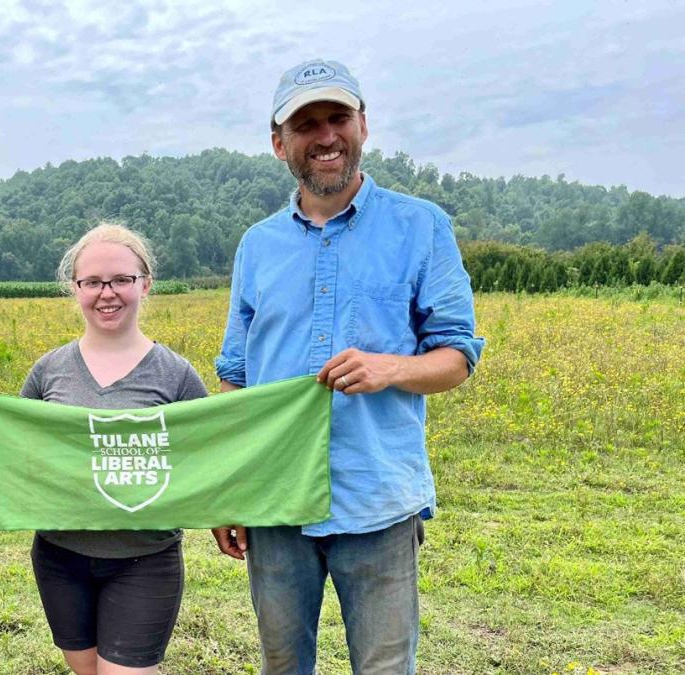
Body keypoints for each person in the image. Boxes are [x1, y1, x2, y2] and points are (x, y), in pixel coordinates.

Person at [211, 59, 485, 674]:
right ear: (280, 143)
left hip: (379, 497)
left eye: (338, 117)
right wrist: (229, 488)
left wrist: (390, 368)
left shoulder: (421, 226)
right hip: (275, 500)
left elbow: (457, 357)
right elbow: (236, 376)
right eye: (306, 124)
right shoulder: (257, 245)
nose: (325, 135)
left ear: (364, 125)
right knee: (283, 665)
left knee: (385, 667)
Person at [20, 223, 208, 675]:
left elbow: (208, 461)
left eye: (121, 279)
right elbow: (18, 453)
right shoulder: (48, 373)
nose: (107, 293)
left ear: (145, 284)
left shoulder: (177, 377)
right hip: (59, 558)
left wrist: (229, 514)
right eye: (93, 282)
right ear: (75, 288)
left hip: (144, 560)